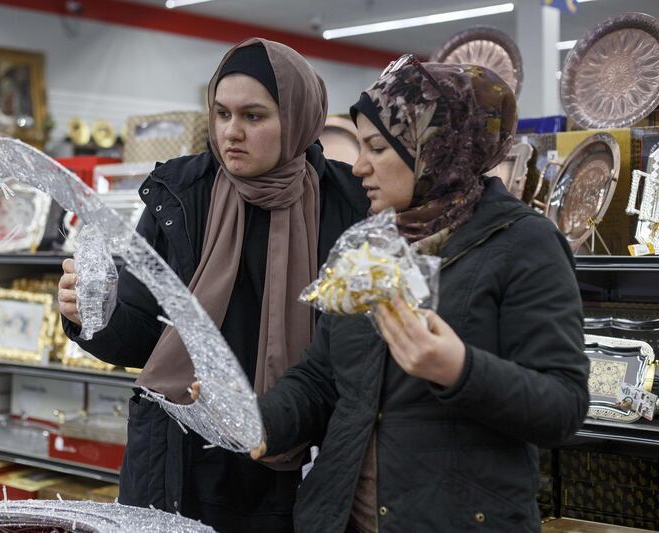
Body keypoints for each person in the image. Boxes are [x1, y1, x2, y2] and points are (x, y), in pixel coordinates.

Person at [250, 56, 590, 532]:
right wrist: (257, 418)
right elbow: (323, 376)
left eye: (376, 147)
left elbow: (563, 404)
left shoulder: (523, 243)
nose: (359, 165)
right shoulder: (371, 243)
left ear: (433, 148)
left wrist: (458, 370)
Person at [58, 38, 369, 532]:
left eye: (253, 116)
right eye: (221, 114)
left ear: (297, 117)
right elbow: (145, 336)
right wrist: (91, 315)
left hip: (298, 464)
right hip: (179, 462)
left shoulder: (349, 205)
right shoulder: (181, 195)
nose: (231, 133)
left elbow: (352, 358)